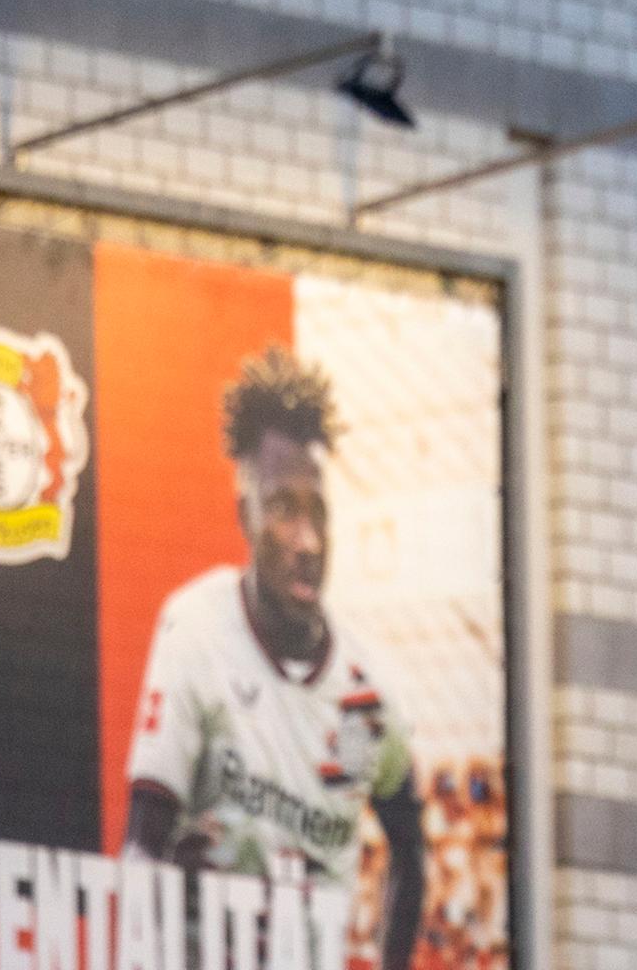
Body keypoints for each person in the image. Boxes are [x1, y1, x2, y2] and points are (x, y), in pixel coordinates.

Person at [124, 346, 425, 970]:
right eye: (284, 509)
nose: (306, 541)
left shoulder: (366, 695)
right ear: (246, 516)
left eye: (318, 512)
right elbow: (140, 849)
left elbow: (412, 855)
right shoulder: (198, 633)